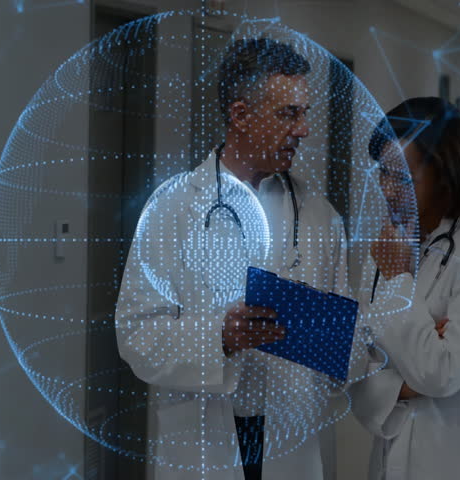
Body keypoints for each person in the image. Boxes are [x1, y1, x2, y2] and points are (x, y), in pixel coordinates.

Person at [115, 38, 360, 480]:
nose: (303, 129)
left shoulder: (321, 217)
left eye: (304, 113)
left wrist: (336, 336)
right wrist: (221, 337)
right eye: (288, 114)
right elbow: (136, 335)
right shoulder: (172, 209)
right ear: (241, 115)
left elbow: (346, 347)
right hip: (203, 442)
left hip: (291, 440)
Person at [350, 97, 460, 479]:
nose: (388, 190)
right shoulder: (388, 244)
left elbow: (442, 373)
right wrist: (404, 382)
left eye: (404, 179)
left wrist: (397, 282)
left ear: (445, 175)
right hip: (390, 455)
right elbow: (354, 360)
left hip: (457, 459)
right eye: (383, 173)